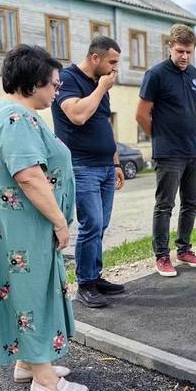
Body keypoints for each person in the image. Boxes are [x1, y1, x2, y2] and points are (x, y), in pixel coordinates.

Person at [0, 44, 88, 391]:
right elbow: (29, 176)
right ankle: (45, 379)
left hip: (13, 221)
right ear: (32, 83)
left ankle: (28, 363)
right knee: (34, 290)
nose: (57, 91)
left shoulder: (2, 110)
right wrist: (59, 222)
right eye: (53, 85)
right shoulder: (16, 119)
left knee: (27, 289)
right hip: (25, 222)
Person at [52, 36, 125, 307]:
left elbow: (104, 124)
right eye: (112, 62)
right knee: (91, 223)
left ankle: (95, 276)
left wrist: (116, 162)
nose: (115, 69)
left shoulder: (100, 84)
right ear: (96, 58)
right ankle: (85, 285)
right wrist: (102, 88)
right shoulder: (68, 79)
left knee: (101, 225)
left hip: (105, 166)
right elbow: (77, 116)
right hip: (82, 166)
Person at [136, 24, 196, 277]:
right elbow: (141, 114)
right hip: (168, 153)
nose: (184, 56)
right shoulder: (156, 75)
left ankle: (184, 249)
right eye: (179, 51)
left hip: (193, 152)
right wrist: (160, 137)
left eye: (188, 51)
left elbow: (190, 110)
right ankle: (162, 256)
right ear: (170, 48)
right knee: (165, 205)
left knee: (190, 203)